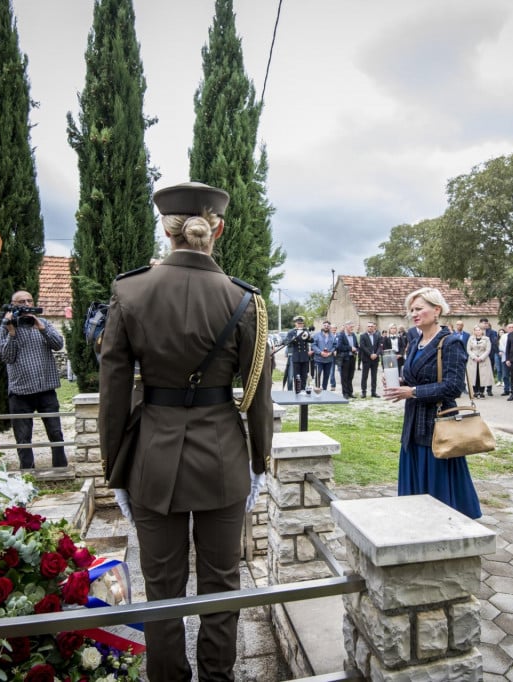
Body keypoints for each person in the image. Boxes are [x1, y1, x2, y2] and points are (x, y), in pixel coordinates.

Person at [98, 181, 273, 681]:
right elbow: (258, 395)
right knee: (222, 584)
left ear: (165, 229)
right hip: (222, 458)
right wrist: (259, 461)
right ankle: (218, 678)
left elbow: (112, 394)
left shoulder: (129, 291)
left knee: (162, 588)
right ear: (217, 229)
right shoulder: (244, 299)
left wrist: (115, 469)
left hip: (151, 460)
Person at [384, 287, 481, 519]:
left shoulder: (450, 343)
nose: (414, 313)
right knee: (414, 495)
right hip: (412, 425)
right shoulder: (414, 340)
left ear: (436, 310)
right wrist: (400, 382)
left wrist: (414, 392)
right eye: (411, 310)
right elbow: (415, 376)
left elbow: (453, 387)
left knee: (437, 495)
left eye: (419, 308)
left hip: (437, 426)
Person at [0, 290, 68, 469]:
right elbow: (7, 357)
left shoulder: (43, 323)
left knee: (56, 433)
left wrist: (41, 328)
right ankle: (27, 474)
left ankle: (60, 469)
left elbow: (58, 344)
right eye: (22, 301)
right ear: (13, 305)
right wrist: (12, 333)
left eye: (30, 300)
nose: (27, 304)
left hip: (45, 388)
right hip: (20, 392)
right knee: (23, 438)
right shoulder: (6, 327)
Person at [284, 315, 313, 392]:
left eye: (301, 323)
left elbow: (311, 341)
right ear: (295, 324)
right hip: (296, 356)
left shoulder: (306, 331)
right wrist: (293, 339)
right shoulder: (291, 332)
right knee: (297, 375)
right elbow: (286, 342)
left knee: (304, 375)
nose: (300, 325)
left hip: (304, 357)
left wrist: (309, 335)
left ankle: (303, 390)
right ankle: (297, 390)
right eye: (298, 323)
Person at [466, 325, 492, 399]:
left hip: (483, 360)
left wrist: (481, 358)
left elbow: (488, 349)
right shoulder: (471, 338)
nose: (478, 331)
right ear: (474, 331)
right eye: (476, 330)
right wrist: (474, 357)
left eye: (479, 330)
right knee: (474, 376)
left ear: (482, 331)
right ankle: (475, 392)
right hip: (473, 360)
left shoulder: (486, 339)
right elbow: (468, 349)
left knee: (482, 376)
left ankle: (481, 392)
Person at [311, 319, 337, 390]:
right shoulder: (316, 335)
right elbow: (313, 345)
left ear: (329, 327)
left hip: (329, 359)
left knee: (326, 376)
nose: (326, 327)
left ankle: (325, 390)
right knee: (318, 374)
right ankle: (317, 389)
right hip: (319, 359)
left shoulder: (332, 336)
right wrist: (320, 352)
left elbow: (335, 346)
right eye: (325, 325)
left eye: (328, 326)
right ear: (322, 326)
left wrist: (330, 352)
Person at [336, 321, 360, 399]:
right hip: (345, 358)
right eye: (351, 327)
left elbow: (356, 345)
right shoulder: (341, 335)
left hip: (352, 358)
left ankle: (350, 392)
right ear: (346, 327)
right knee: (344, 377)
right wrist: (350, 348)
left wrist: (357, 350)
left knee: (351, 376)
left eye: (352, 327)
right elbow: (339, 347)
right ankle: (345, 393)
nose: (352, 328)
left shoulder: (353, 335)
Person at [359, 321, 382, 398]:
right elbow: (362, 346)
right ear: (367, 327)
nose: (370, 327)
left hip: (375, 359)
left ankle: (373, 392)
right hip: (366, 358)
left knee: (374, 376)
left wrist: (376, 354)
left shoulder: (377, 336)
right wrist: (370, 354)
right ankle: (364, 392)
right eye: (369, 326)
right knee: (364, 376)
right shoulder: (363, 336)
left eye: (371, 326)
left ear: (374, 327)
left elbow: (380, 346)